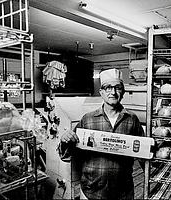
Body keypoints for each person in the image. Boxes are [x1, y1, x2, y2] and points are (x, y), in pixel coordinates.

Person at [58, 68, 144, 200]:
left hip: (122, 191)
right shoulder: (88, 119)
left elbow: (143, 154)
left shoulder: (132, 120)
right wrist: (65, 141)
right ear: (101, 92)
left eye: (117, 88)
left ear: (123, 92)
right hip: (92, 191)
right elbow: (66, 155)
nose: (113, 92)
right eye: (108, 88)